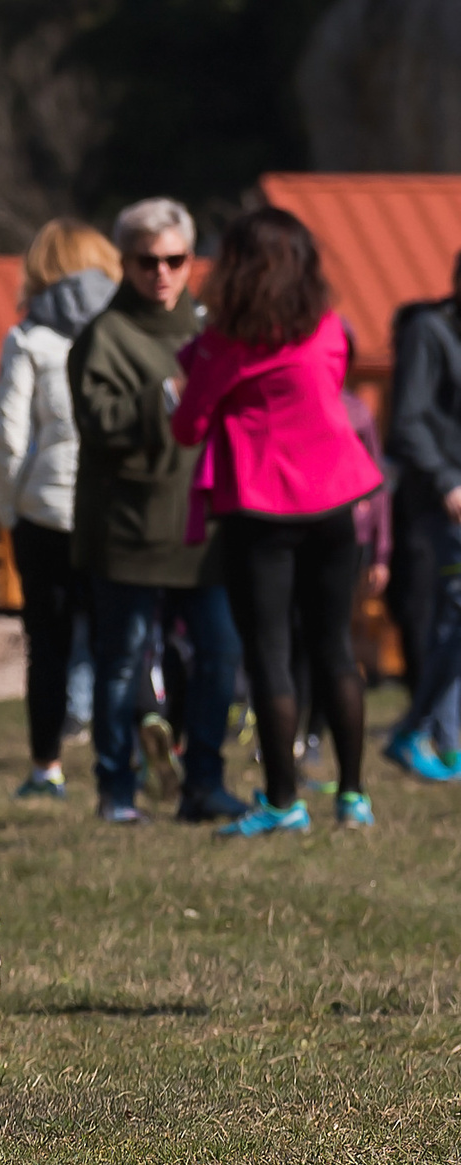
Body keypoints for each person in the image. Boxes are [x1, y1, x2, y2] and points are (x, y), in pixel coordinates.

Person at [171, 206, 385, 836]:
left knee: (270, 655)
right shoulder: (328, 328)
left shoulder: (223, 345)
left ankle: (284, 801)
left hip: (260, 507)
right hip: (336, 500)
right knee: (334, 648)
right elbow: (331, 380)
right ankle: (353, 797)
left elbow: (188, 426)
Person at [69, 198, 243, 826]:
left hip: (204, 527)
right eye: (148, 261)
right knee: (122, 662)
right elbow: (98, 422)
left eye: (176, 259)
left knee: (220, 654)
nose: (162, 273)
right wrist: (163, 397)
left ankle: (205, 783)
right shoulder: (105, 336)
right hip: (129, 529)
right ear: (125, 262)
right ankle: (117, 790)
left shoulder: (212, 328)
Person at [0, 220, 120, 801]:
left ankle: (47, 767)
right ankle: (123, 762)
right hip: (113, 511)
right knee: (120, 641)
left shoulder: (28, 338)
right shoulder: (122, 327)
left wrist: (8, 508)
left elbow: (8, 435)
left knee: (47, 646)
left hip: (44, 512)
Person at [385, 250, 461, 779]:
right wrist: (447, 481)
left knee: (455, 620)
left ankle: (442, 735)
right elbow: (407, 421)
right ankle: (417, 730)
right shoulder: (429, 332)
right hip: (446, 504)